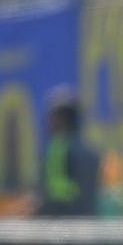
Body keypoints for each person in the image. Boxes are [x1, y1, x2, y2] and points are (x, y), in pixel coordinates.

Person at [38, 86, 100, 216]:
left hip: (61, 222)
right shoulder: (90, 151)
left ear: (62, 119)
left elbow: (53, 192)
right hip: (88, 222)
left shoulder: (57, 148)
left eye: (53, 117)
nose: (49, 122)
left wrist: (40, 206)